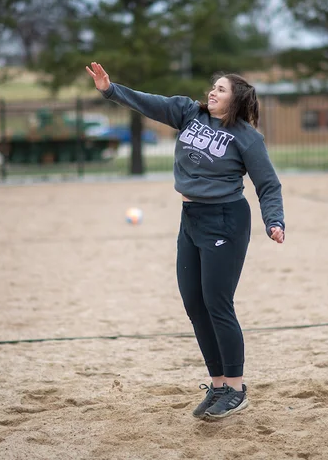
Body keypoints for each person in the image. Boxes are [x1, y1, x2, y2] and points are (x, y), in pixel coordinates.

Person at [86, 62, 285, 420]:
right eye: (214, 86)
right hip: (190, 218)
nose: (212, 92)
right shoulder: (189, 113)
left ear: (236, 100)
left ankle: (237, 390)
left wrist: (274, 221)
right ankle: (219, 385)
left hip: (225, 220)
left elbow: (268, 184)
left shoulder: (247, 137)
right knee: (195, 305)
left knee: (217, 303)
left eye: (221, 89)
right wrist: (110, 89)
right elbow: (149, 103)